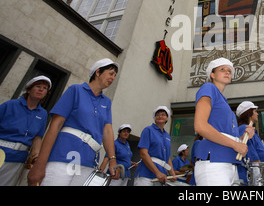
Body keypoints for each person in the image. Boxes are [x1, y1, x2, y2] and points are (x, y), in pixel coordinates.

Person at [27, 58, 119, 186]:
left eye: (115, 75)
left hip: (88, 163)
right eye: (110, 73)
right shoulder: (75, 90)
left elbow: (107, 131)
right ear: (98, 72)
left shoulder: (106, 102)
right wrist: (40, 164)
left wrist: (112, 159)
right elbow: (55, 125)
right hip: (63, 157)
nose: (113, 78)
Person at [194, 57, 254, 186]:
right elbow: (200, 126)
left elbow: (226, 136)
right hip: (214, 165)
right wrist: (235, 144)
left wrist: (243, 138)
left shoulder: (224, 102)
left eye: (229, 71)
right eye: (222, 69)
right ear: (212, 74)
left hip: (230, 164)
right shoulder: (208, 87)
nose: (227, 72)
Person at [0, 76, 51, 186]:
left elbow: (37, 138)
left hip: (18, 160)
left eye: (45, 88)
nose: (41, 89)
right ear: (28, 89)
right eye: (38, 86)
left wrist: (36, 157)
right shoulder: (10, 105)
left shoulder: (42, 114)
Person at [134, 106, 176, 186]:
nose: (160, 116)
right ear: (154, 117)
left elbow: (168, 156)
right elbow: (143, 153)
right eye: (158, 114)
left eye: (163, 114)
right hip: (146, 175)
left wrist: (171, 171)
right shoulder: (148, 130)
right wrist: (157, 172)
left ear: (167, 118)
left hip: (161, 176)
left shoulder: (167, 136)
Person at [236, 101, 264, 184]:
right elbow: (252, 159)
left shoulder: (251, 131)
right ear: (249, 113)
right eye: (255, 111)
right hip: (252, 178)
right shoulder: (245, 130)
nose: (257, 114)